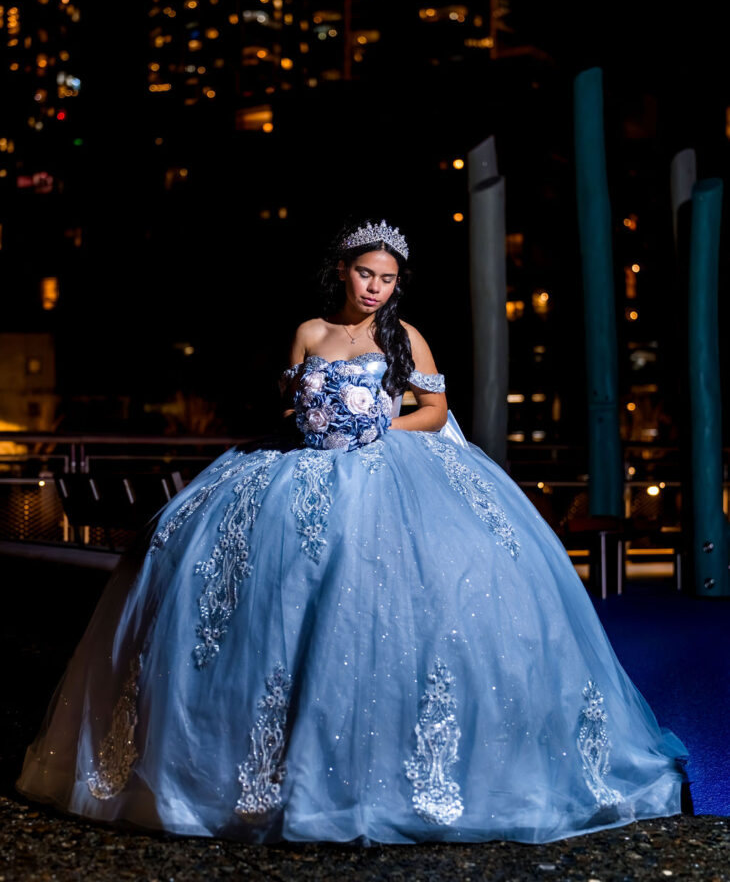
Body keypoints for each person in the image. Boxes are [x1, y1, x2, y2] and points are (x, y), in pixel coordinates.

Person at [17, 219, 689, 845]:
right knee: (239, 577)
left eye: (388, 279)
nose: (375, 288)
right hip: (304, 465)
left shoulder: (405, 337)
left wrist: (375, 429)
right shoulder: (309, 332)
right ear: (343, 271)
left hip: (390, 465)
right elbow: (290, 401)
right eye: (366, 274)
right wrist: (316, 414)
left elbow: (434, 412)